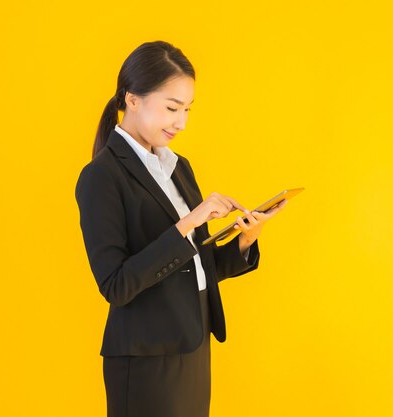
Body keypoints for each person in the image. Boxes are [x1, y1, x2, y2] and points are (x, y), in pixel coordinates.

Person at [74, 40, 287, 417]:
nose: (181, 122)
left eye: (187, 109)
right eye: (172, 108)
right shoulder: (101, 177)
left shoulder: (178, 167)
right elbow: (116, 285)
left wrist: (246, 239)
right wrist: (188, 222)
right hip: (146, 360)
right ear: (132, 99)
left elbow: (193, 266)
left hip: (191, 347)